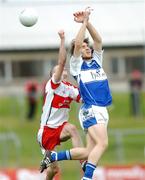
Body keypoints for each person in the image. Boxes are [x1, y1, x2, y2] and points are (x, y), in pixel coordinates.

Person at [39, 8, 112, 180]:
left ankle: (55, 156)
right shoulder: (77, 66)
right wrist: (83, 23)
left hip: (101, 109)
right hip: (92, 109)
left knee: (89, 151)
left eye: (88, 47)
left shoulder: (96, 61)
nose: (87, 48)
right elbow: (77, 45)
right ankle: (87, 178)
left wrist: (89, 21)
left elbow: (98, 40)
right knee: (103, 143)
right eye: (84, 47)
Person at [37, 30, 84, 180]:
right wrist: (63, 40)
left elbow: (85, 99)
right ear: (53, 75)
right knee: (54, 169)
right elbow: (62, 61)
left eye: (64, 68)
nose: (63, 68)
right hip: (46, 132)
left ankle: (83, 162)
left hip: (60, 128)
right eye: (59, 69)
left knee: (72, 128)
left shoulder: (69, 88)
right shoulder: (53, 85)